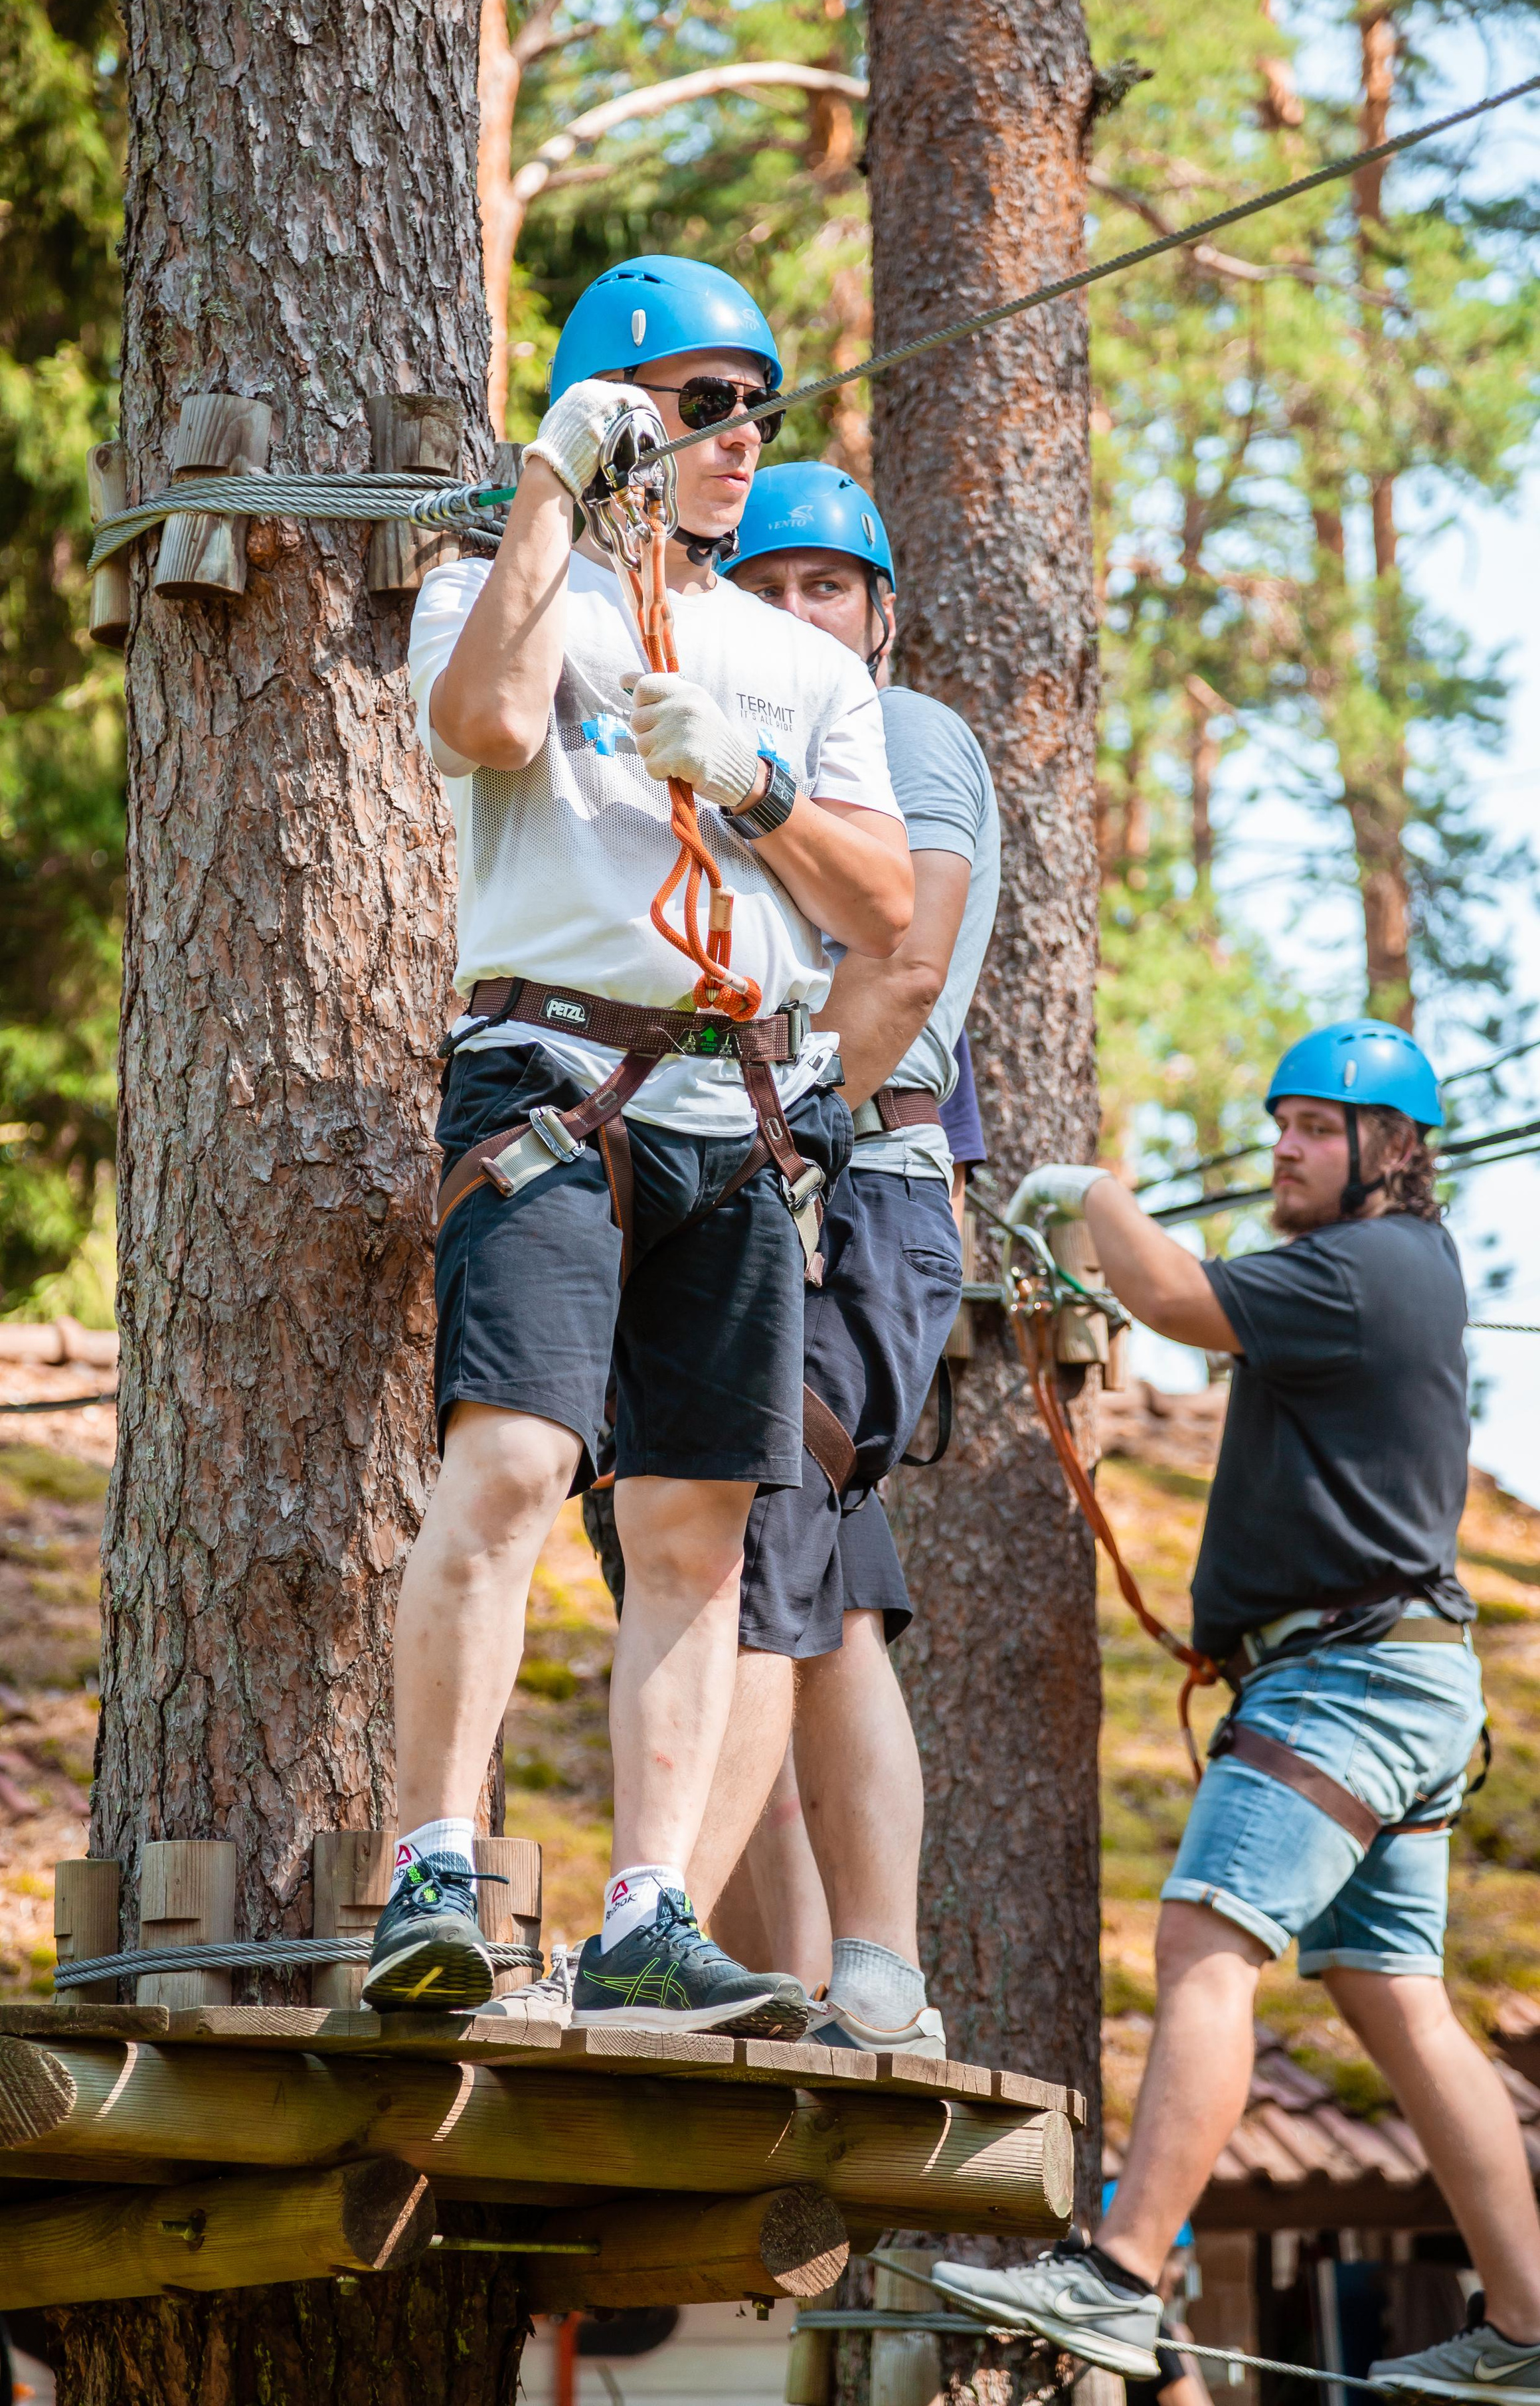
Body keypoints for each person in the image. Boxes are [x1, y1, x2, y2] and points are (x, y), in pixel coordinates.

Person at [363, 260, 912, 2031]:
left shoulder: (800, 665)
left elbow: (888, 908)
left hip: (738, 1111)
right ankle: (431, 1868)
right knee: (516, 1464)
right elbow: (488, 729)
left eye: (756, 404)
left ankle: (649, 1911)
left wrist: (751, 784)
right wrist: (544, 493)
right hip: (553, 1077)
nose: (739, 437)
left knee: (694, 1532)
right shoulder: (495, 584)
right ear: (615, 411)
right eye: (697, 403)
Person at [930, 1021, 1540, 2403]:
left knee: (1206, 1935)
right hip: (1392, 1678)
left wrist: (1084, 1192)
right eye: (1278, 1123)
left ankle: (1120, 2276)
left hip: (1350, 1681)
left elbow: (1168, 1297)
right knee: (1392, 1999)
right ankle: (1525, 2322)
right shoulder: (1384, 1270)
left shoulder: (1364, 1266)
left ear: (1391, 1152)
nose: (1282, 1145)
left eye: (1315, 1128)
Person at [677, 462, 1000, 2052]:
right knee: (819, 1596)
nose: (796, 613)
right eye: (767, 585)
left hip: (848, 1176)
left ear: (879, 615)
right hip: (762, 1171)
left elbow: (905, 950)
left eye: (827, 588)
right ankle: (827, 1989)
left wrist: (792, 1135)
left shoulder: (903, 736)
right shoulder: (752, 753)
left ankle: (668, 1927)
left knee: (746, 1539)